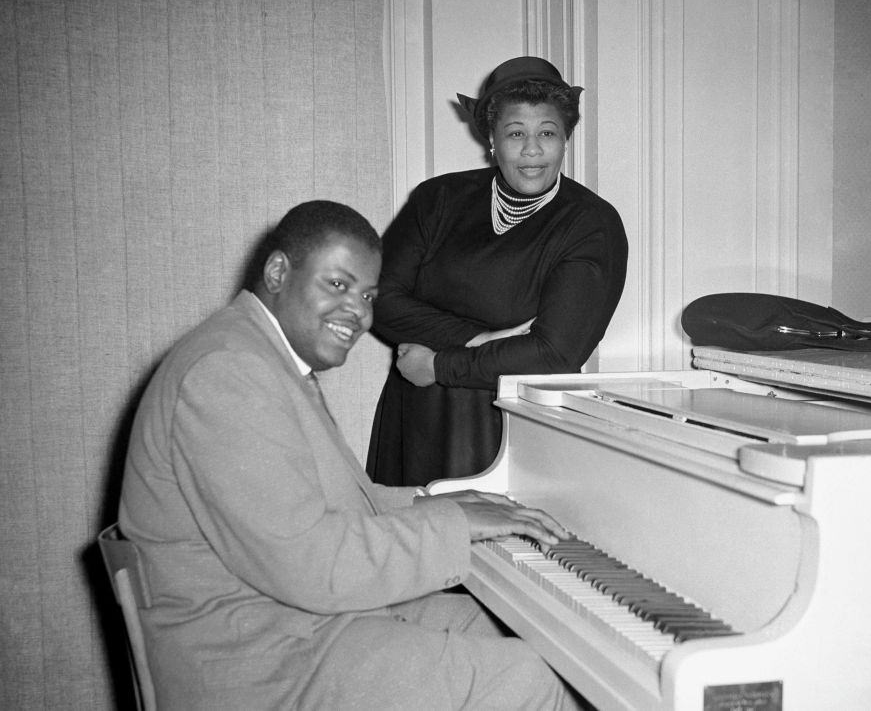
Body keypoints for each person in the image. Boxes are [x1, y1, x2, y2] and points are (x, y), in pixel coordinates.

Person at [118, 200, 580, 709]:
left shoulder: (258, 355)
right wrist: (453, 523)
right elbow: (315, 565)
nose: (358, 312)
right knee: (527, 677)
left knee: (529, 635)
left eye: (367, 295)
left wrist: (434, 501)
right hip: (256, 660)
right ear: (278, 271)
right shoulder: (228, 372)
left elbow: (325, 503)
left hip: (291, 620)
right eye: (337, 285)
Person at [366, 56, 629, 488]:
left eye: (547, 132)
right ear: (491, 139)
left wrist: (440, 365)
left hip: (514, 420)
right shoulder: (438, 199)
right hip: (418, 418)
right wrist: (480, 338)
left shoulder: (591, 224)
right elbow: (378, 297)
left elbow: (554, 354)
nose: (531, 149)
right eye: (515, 133)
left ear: (565, 139)